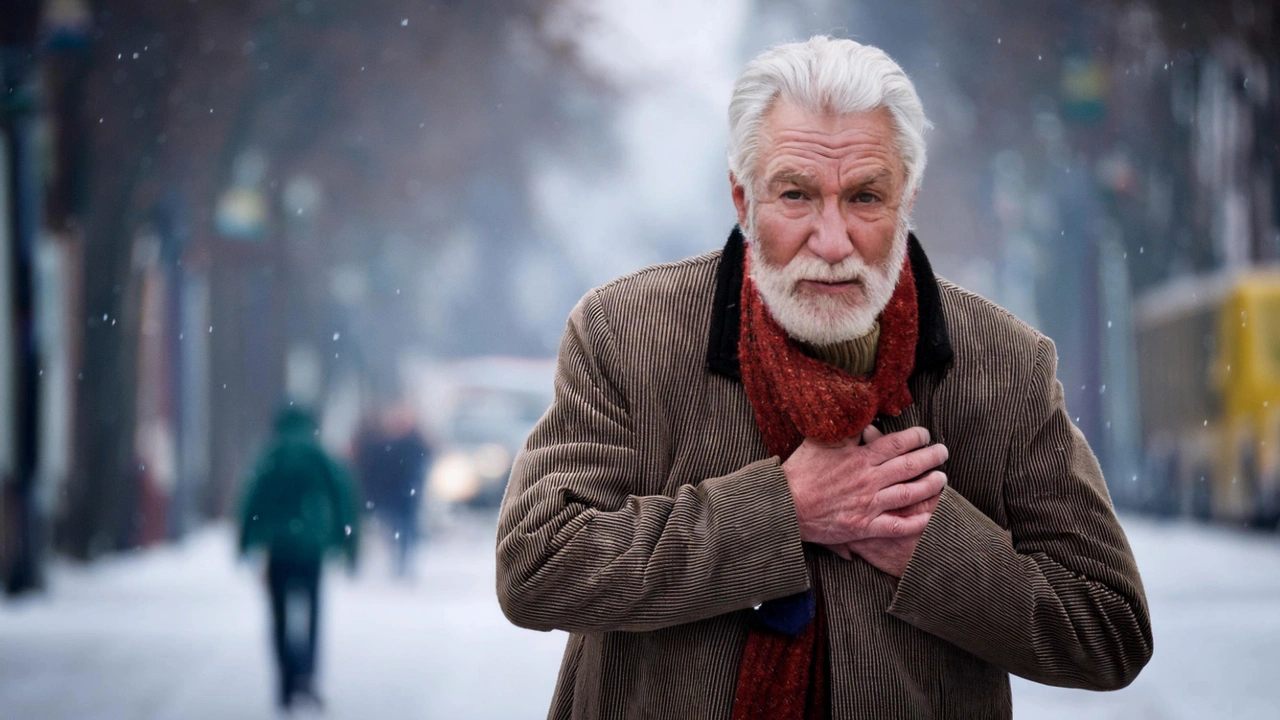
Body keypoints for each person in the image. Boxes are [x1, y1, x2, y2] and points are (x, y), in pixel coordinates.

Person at [496, 36, 1152, 720]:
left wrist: (932, 551)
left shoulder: (1001, 364)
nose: (833, 242)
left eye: (865, 197)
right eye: (796, 195)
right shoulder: (627, 334)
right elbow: (537, 566)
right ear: (742, 200)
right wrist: (780, 511)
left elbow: (1111, 630)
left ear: (907, 200)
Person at [239, 405, 359, 711]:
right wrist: (347, 542)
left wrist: (247, 541)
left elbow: (252, 498)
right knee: (312, 615)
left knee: (278, 616)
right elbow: (342, 495)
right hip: (310, 547)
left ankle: (285, 680)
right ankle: (307, 675)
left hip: (278, 548)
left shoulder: (272, 455)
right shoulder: (319, 455)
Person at [353, 403, 431, 577]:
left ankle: (403, 562)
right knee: (398, 527)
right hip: (399, 493)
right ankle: (400, 561)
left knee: (404, 528)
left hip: (406, 493)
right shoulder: (390, 442)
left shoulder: (408, 442)